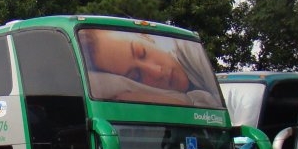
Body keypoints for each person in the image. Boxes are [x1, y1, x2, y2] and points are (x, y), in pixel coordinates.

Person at [79, 28, 221, 107]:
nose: (156, 71)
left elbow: (215, 114)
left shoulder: (188, 50)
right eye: (136, 76)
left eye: (142, 53)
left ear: (145, 37)